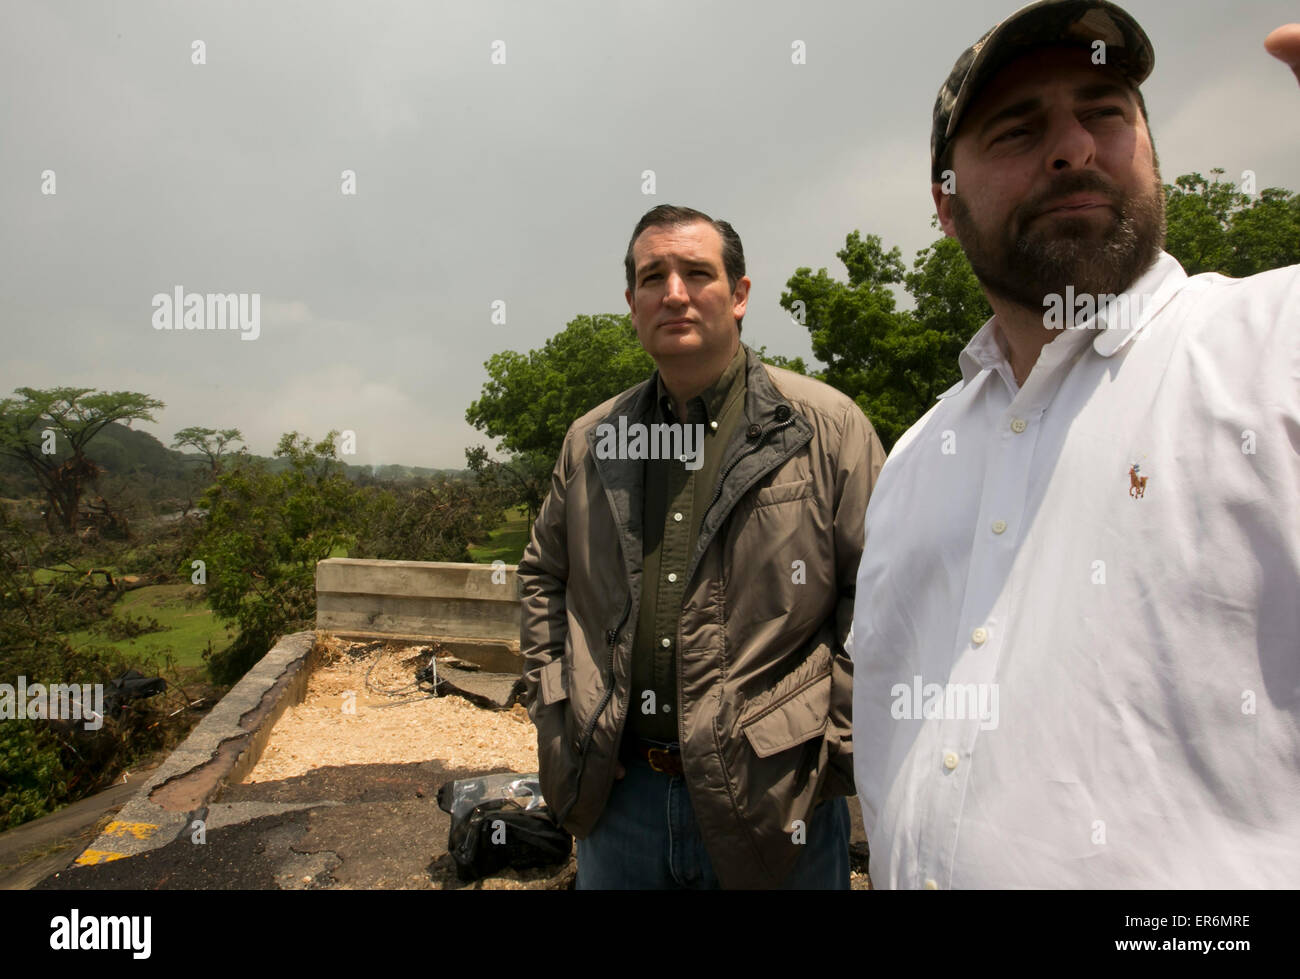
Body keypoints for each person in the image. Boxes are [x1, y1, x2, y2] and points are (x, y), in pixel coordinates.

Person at [851, 0, 1300, 888]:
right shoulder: (913, 460)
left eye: (1105, 112)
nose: (1073, 149)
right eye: (1018, 129)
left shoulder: (1272, 346)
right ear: (946, 207)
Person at [518, 204, 885, 888]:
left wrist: (833, 750)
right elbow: (543, 574)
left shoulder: (825, 428)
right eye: (653, 276)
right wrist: (557, 704)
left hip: (776, 806)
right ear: (632, 303)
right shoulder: (593, 440)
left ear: (740, 294)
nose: (674, 292)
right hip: (619, 805)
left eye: (696, 272)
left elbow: (880, 594)